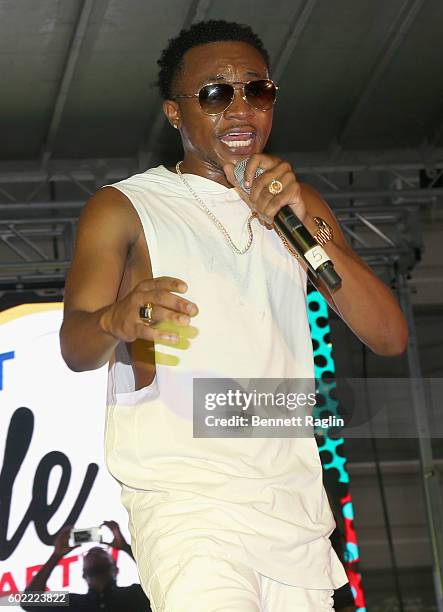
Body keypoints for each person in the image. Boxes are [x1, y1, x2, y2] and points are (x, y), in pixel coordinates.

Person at [59, 19, 408, 612]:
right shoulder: (126, 205)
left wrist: (304, 221)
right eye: (217, 94)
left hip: (291, 505)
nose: (241, 108)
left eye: (258, 91)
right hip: (187, 498)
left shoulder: (298, 204)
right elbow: (75, 345)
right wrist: (119, 319)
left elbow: (390, 336)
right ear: (175, 113)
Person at [21, 521, 151, 611]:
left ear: (116, 569)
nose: (94, 551)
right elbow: (29, 601)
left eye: (101, 551)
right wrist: (56, 555)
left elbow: (161, 582)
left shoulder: (135, 594)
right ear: (83, 573)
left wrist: (126, 547)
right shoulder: (71, 602)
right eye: (89, 553)